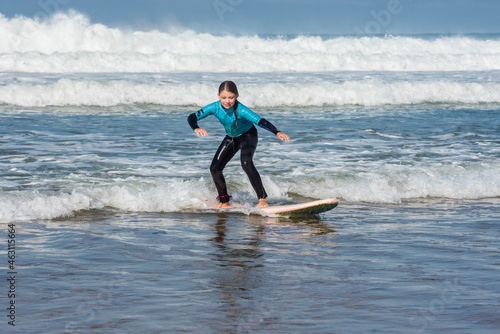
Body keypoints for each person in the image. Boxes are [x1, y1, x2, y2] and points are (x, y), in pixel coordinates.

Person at [188, 81, 290, 208]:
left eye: (231, 97)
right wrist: (196, 128)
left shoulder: (241, 109)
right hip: (232, 138)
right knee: (215, 168)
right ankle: (225, 202)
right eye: (224, 97)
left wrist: (277, 132)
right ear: (218, 95)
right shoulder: (214, 107)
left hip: (248, 136)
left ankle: (262, 199)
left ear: (237, 95)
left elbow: (260, 121)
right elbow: (192, 117)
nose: (227, 101)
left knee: (246, 163)